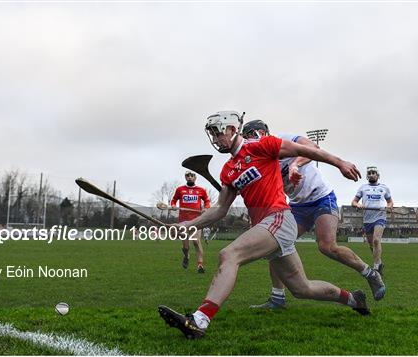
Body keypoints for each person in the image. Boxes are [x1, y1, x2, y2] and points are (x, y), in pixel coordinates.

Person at [158, 111, 368, 339]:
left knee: (229, 254)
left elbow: (304, 150)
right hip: (267, 228)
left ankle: (200, 319)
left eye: (218, 133)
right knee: (301, 289)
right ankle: (354, 299)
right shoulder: (228, 170)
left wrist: (340, 163)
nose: (216, 139)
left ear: (231, 129)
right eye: (212, 135)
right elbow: (220, 209)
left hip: (279, 218)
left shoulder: (261, 146)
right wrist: (191, 224)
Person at [241, 120, 385, 309]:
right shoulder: (259, 157)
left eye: (249, 137)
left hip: (322, 198)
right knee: (275, 246)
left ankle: (370, 273)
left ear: (261, 132)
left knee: (327, 246)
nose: (248, 143)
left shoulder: (283, 139)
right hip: (297, 206)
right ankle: (277, 298)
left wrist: (294, 164)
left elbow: (312, 146)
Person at [351, 166, 393, 276]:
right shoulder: (363, 188)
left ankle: (376, 267)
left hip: (380, 216)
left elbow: (390, 202)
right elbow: (354, 202)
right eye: (369, 173)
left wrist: (389, 207)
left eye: (373, 173)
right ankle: (379, 262)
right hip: (367, 218)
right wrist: (358, 205)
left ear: (377, 175)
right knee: (371, 244)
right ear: (367, 175)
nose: (371, 174)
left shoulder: (384, 188)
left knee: (376, 240)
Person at [171, 171, 211, 273]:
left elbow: (207, 201)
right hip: (183, 221)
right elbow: (174, 200)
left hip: (197, 220)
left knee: (196, 242)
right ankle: (186, 255)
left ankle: (200, 265)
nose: (189, 177)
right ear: (185, 177)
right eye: (187, 176)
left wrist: (206, 208)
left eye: (192, 176)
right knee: (185, 247)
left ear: (195, 178)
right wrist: (173, 206)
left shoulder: (201, 190)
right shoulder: (180, 189)